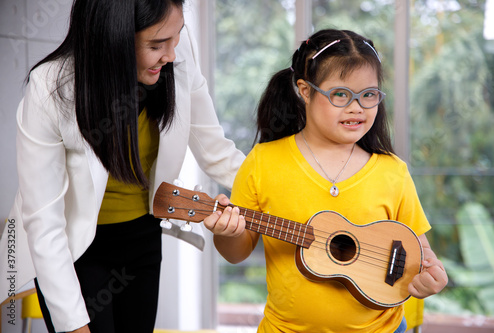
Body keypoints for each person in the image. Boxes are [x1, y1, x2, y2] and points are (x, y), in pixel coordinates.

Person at [0, 0, 245, 332]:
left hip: (142, 236)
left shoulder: (175, 47)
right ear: (113, 39)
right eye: (157, 45)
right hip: (76, 250)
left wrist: (286, 188)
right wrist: (74, 327)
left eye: (177, 37)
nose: (172, 54)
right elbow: (44, 226)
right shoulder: (51, 88)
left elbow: (215, 150)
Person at [204, 29, 448, 332]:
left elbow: (418, 251)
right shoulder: (262, 162)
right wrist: (226, 232)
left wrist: (430, 276)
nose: (356, 107)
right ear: (305, 91)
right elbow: (236, 253)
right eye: (341, 95)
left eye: (368, 95)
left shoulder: (392, 171)